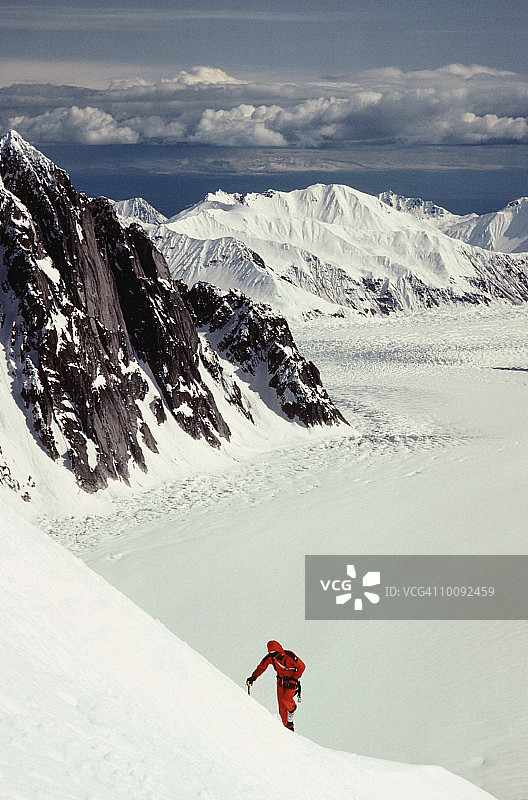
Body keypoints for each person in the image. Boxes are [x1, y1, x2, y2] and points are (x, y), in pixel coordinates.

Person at [247, 640, 305, 731]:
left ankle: (292, 709)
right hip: (280, 682)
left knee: (286, 700)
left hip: (292, 681)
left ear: (279, 650)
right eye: (271, 653)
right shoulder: (270, 658)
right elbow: (261, 667)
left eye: (275, 653)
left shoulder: (290, 656)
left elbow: (302, 667)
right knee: (281, 708)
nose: (273, 655)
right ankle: (288, 728)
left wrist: (295, 678)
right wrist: (253, 677)